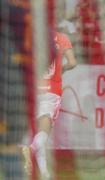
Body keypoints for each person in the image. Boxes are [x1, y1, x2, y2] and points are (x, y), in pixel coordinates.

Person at [22, 31, 77, 179]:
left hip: (34, 90)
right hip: (52, 91)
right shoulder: (62, 38)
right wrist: (61, 70)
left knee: (40, 133)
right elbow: (72, 63)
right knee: (44, 134)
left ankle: (45, 174)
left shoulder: (33, 35)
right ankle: (30, 149)